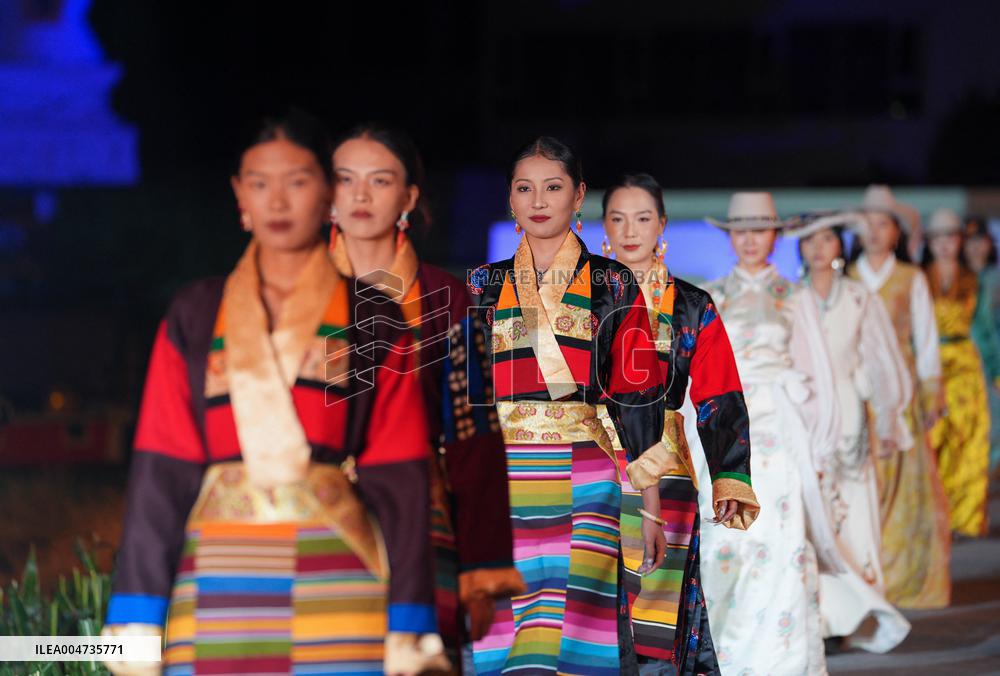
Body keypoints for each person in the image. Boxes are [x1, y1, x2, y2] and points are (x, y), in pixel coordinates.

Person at [102, 110, 448, 675]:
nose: (277, 201)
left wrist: (409, 623)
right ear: (240, 194)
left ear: (327, 194)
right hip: (213, 576)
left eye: (298, 181)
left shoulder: (373, 319)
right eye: (260, 184)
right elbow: (162, 468)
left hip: (341, 578)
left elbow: (397, 472)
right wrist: (138, 617)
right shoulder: (195, 314)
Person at [468, 137, 676, 675]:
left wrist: (651, 503)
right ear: (510, 200)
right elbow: (466, 395)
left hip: (586, 473)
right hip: (504, 475)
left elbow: (638, 396)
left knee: (577, 627)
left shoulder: (612, 282)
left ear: (578, 196)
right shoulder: (480, 287)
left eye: (553, 186)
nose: (538, 199)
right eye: (524, 188)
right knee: (507, 625)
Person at [328, 124, 524, 666]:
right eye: (345, 180)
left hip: (418, 523)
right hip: (310, 517)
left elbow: (473, 429)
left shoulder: (446, 297)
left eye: (380, 180)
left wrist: (480, 569)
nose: (361, 196)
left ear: (409, 197)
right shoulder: (294, 289)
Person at [598, 173, 758, 674]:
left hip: (664, 468)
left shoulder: (692, 306)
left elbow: (719, 396)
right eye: (618, 219)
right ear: (602, 229)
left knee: (656, 608)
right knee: (591, 601)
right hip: (591, 461)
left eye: (643, 218)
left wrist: (731, 474)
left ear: (662, 225)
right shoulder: (579, 300)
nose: (630, 231)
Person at [698, 192, 839, 675]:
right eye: (741, 230)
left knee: (779, 542)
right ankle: (725, 656)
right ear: (729, 236)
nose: (750, 239)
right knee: (723, 543)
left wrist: (821, 446)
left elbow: (820, 374)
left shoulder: (794, 296)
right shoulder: (709, 294)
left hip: (779, 427)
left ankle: (782, 661)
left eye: (760, 229)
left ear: (776, 236)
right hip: (722, 426)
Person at [788, 211, 912, 653]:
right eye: (808, 240)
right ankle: (820, 616)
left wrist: (891, 416)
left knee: (854, 519)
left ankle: (851, 616)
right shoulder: (790, 298)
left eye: (826, 239)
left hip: (850, 417)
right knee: (810, 520)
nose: (818, 248)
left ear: (839, 245)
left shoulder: (860, 298)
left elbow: (882, 360)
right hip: (804, 416)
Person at [848, 185, 952, 608]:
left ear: (895, 232)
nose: (874, 232)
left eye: (883, 224)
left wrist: (931, 391)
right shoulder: (846, 278)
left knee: (908, 489)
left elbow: (926, 340)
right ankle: (866, 577)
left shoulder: (911, 279)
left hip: (901, 396)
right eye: (868, 224)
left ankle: (905, 579)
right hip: (858, 393)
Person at [923, 208, 999, 537]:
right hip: (930, 364)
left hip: (966, 366)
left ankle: (963, 516)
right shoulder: (919, 277)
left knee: (968, 440)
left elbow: (983, 327)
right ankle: (933, 514)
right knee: (932, 442)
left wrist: (995, 371)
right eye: (937, 238)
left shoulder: (972, 280)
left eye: (950, 237)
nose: (944, 244)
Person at [962, 216, 1000, 476]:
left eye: (980, 240)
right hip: (964, 365)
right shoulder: (957, 280)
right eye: (969, 241)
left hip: (993, 364)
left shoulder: (995, 279)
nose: (975, 247)